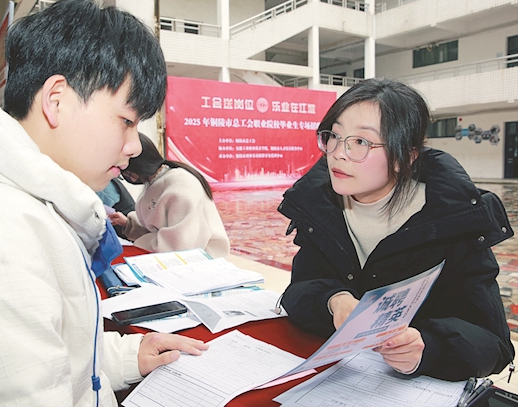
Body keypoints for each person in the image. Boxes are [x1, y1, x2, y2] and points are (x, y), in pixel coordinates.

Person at [0, 0, 207, 406]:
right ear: (56, 100)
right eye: (126, 121)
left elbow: (43, 353)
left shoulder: (14, 201)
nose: (132, 147)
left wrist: (120, 357)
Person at [278, 78, 514, 381]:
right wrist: (334, 300)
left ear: (405, 157)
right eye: (334, 136)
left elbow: (493, 344)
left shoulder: (452, 220)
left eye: (361, 142)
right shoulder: (318, 207)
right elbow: (299, 288)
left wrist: (429, 347)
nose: (338, 153)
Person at [112, 132, 230, 258]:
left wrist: (140, 243)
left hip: (202, 257)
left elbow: (179, 244)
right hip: (178, 253)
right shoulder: (154, 181)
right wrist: (128, 223)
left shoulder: (180, 185)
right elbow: (159, 227)